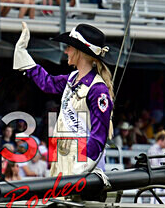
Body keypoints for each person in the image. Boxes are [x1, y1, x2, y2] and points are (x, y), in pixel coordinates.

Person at [14, 22, 114, 176]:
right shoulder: (73, 78)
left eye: (70, 47)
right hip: (63, 153)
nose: (66, 51)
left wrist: (81, 169)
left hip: (83, 159)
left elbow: (98, 136)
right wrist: (22, 54)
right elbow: (48, 83)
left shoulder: (98, 89)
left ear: (80, 52)